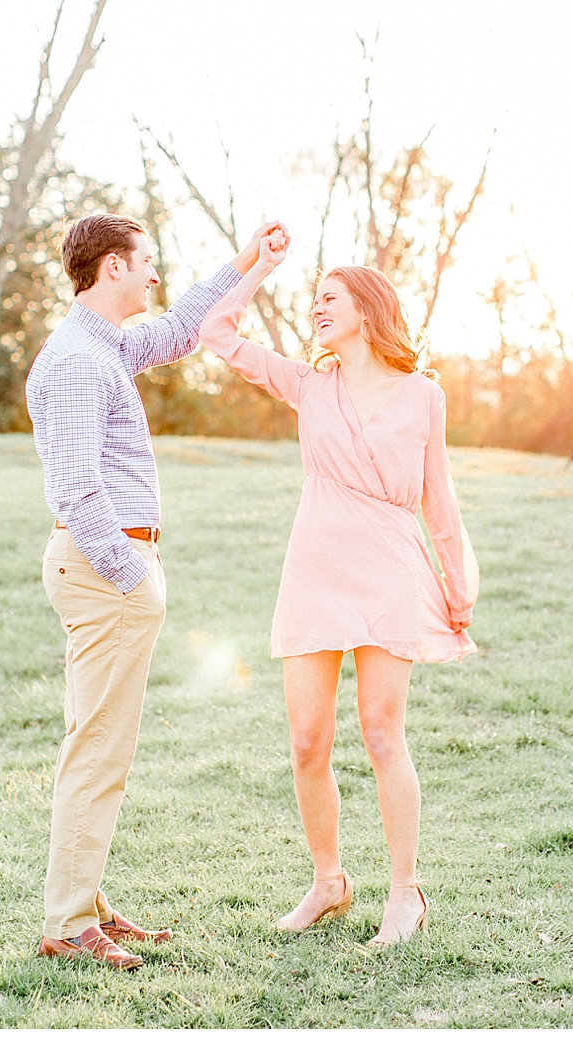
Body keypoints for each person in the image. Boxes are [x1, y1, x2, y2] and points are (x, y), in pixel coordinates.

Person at [199, 231, 478, 948]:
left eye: (330, 298)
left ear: (367, 308)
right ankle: (328, 882)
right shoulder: (307, 383)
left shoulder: (423, 396)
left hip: (391, 570)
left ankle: (405, 892)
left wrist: (459, 582)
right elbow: (217, 332)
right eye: (315, 298)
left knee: (383, 732)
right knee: (305, 739)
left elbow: (439, 498)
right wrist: (260, 267)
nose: (317, 308)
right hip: (315, 570)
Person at [25, 212, 286, 970]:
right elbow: (76, 487)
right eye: (145, 262)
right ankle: (70, 922)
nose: (154, 275)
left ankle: (87, 901)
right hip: (107, 573)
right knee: (98, 750)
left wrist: (251, 264)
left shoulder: (101, 344)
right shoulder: (78, 360)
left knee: (99, 744)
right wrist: (134, 575)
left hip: (110, 574)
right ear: (110, 268)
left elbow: (178, 329)